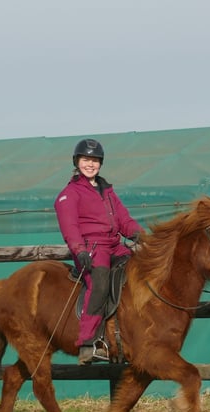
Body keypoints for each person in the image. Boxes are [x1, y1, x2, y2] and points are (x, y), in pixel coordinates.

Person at [55, 138, 144, 365]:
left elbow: (124, 219)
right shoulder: (69, 194)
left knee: (141, 270)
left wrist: (140, 235)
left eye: (94, 160)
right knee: (100, 283)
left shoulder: (107, 191)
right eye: (86, 159)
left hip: (115, 245)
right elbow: (70, 226)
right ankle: (88, 343)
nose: (90, 164)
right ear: (77, 162)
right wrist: (79, 249)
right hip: (91, 248)